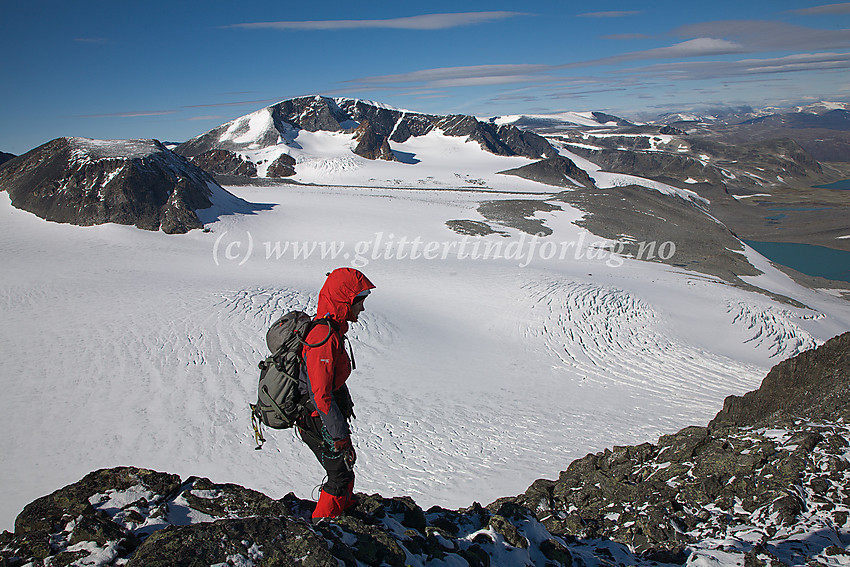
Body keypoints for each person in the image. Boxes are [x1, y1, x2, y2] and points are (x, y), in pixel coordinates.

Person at [297, 267, 375, 521]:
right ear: (345, 301)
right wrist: (338, 433)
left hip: (323, 414)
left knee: (344, 467)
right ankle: (324, 527)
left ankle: (343, 514)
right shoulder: (323, 336)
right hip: (316, 415)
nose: (361, 309)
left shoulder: (333, 331)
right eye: (359, 302)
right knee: (339, 474)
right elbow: (320, 394)